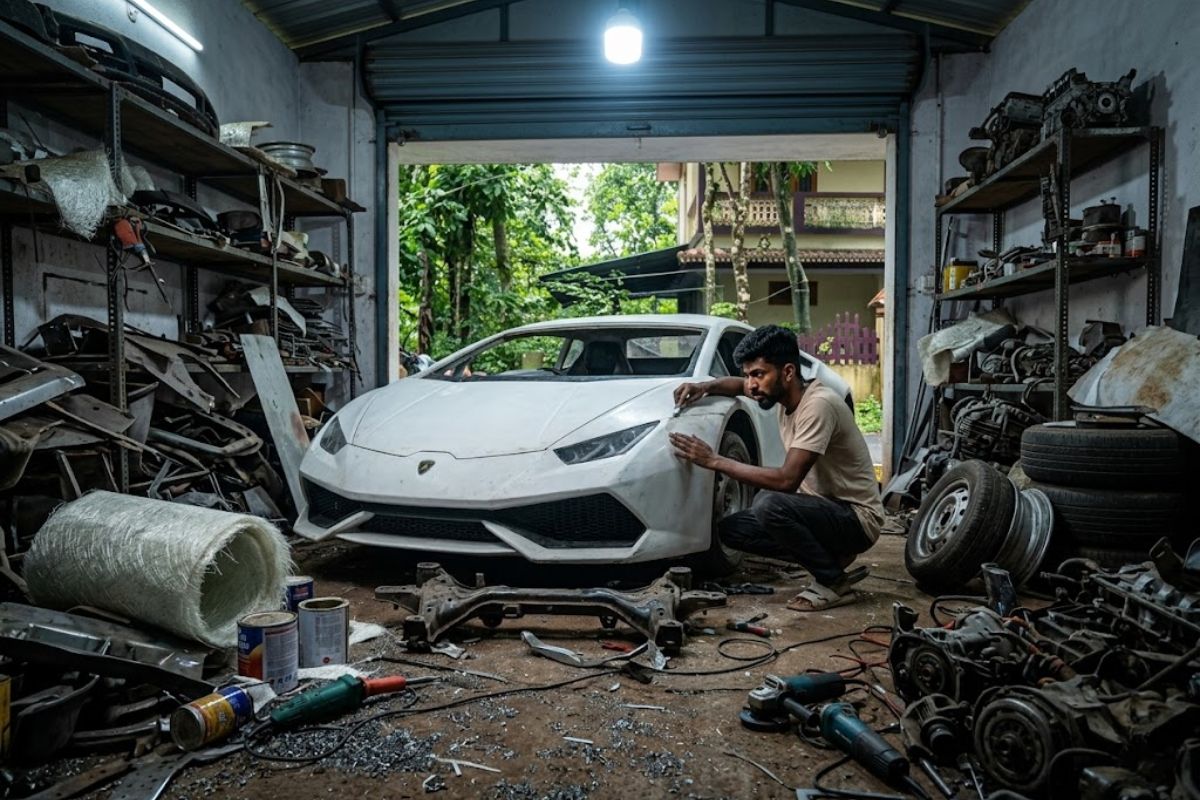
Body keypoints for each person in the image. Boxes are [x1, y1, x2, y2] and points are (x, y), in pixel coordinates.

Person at [669, 325, 884, 611]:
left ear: (788, 372)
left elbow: (786, 481)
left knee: (769, 504)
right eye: (749, 375)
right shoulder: (781, 393)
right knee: (731, 530)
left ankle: (833, 581)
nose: (752, 384)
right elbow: (737, 386)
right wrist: (704, 387)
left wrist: (714, 460)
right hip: (822, 512)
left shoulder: (818, 405)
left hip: (857, 519)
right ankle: (831, 555)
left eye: (758, 374)